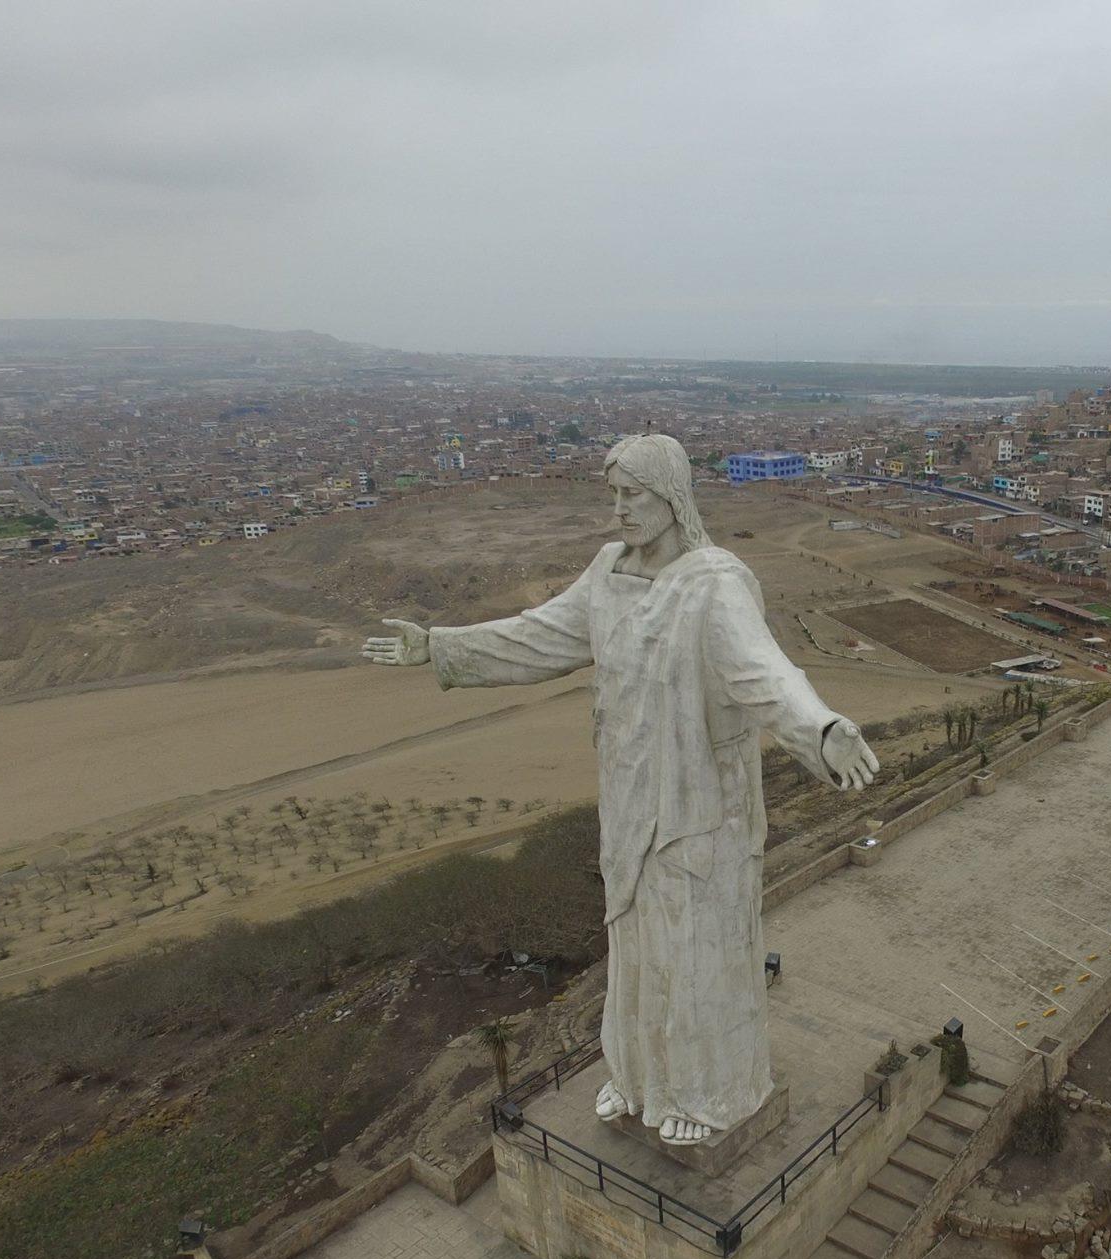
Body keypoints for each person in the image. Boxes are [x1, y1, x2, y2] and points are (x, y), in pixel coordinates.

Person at [362, 434, 877, 1145]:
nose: (620, 510)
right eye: (614, 495)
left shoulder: (714, 584)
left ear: (671, 496)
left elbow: (765, 675)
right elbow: (539, 637)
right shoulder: (608, 572)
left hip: (699, 812)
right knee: (637, 951)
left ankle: (710, 1096)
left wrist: (821, 731)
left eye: (633, 494)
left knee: (694, 955)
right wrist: (440, 646)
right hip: (631, 799)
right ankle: (640, 1081)